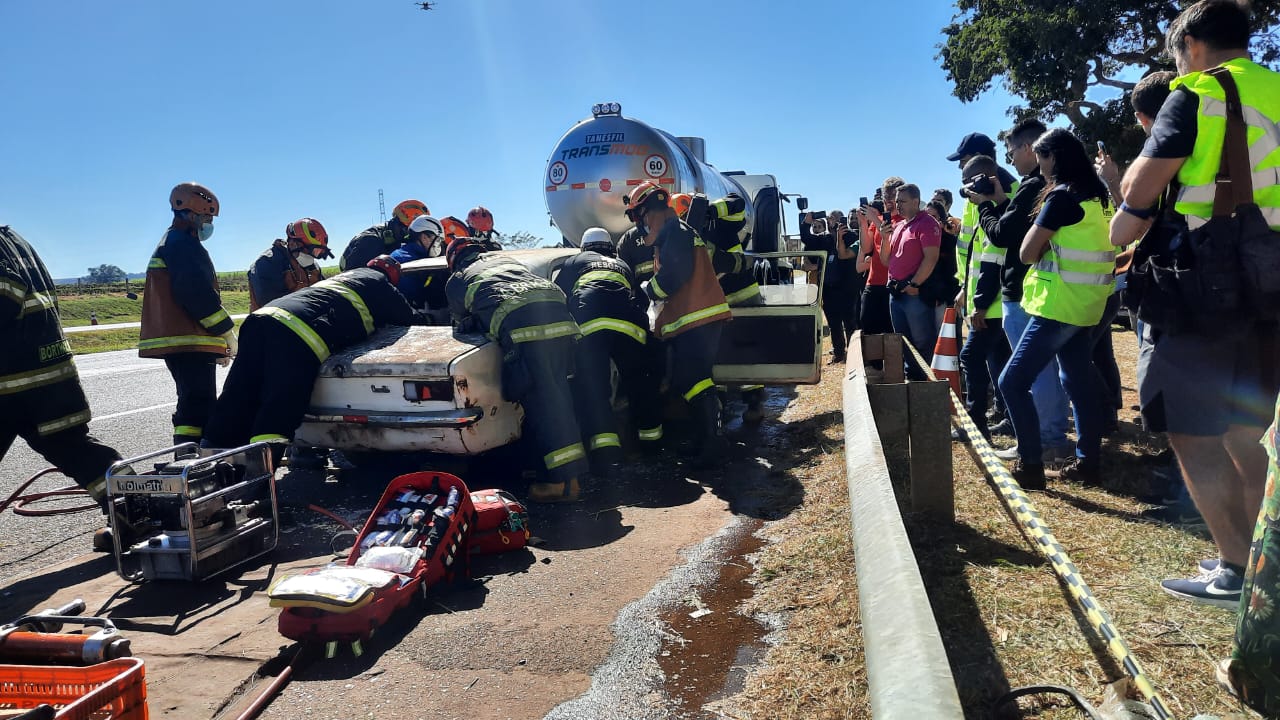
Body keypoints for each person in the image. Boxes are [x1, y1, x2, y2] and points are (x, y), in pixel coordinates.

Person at [1110, 0, 1280, 607]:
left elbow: (1140, 187)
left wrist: (1126, 209)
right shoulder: (1275, 90)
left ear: (1194, 47)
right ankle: (1263, 562)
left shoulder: (1198, 92)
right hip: (1270, 285)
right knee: (1248, 431)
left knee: (1191, 432)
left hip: (1204, 288)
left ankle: (1235, 570)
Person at [204, 256, 419, 461]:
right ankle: (260, 475)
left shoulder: (343, 278)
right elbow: (409, 319)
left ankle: (208, 463)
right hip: (296, 332)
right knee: (280, 405)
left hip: (261, 318)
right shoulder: (380, 282)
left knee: (238, 393)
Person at [997, 128, 1116, 491]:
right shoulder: (1100, 197)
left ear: (1053, 158)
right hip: (1090, 304)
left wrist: (1047, 248)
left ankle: (1031, 465)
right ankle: (1088, 463)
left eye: (1041, 158)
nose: (1040, 167)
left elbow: (1026, 253)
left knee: (1011, 382)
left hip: (1059, 306)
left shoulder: (1061, 197)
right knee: (1076, 379)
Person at [0, 225, 126, 543]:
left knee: (75, 450)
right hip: (46, 376)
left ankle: (139, 511)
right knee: (77, 450)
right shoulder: (13, 240)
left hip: (13, 382)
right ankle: (139, 512)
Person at [445, 238, 587, 502]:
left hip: (525, 328)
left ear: (453, 261)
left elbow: (459, 320)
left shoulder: (458, 279)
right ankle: (567, 477)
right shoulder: (506, 261)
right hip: (558, 314)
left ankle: (561, 484)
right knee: (558, 399)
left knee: (542, 405)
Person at [972, 119, 1076, 467]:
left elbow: (1003, 235)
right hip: (1041, 288)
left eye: (1012, 151)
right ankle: (1050, 436)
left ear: (1028, 148)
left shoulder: (1034, 186)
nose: (1010, 159)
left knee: (1033, 372)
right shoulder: (1046, 185)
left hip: (1023, 290)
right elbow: (1017, 227)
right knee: (1047, 370)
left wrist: (985, 205)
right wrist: (1002, 201)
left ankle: (1046, 440)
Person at [627, 181, 732, 468]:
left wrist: (648, 292)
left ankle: (712, 444)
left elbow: (675, 273)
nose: (640, 226)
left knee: (695, 379)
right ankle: (704, 440)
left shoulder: (675, 231)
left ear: (648, 212)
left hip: (697, 318)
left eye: (638, 217)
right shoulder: (674, 232)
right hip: (692, 320)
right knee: (689, 380)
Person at [555, 227, 664, 464]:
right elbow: (636, 296)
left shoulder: (574, 261)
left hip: (590, 326)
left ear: (584, 247)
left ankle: (606, 454)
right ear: (609, 247)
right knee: (639, 384)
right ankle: (652, 444)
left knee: (595, 389)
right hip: (629, 326)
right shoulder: (621, 264)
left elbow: (559, 295)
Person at [139, 182, 236, 446]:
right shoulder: (182, 244)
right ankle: (195, 458)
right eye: (207, 218)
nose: (209, 225)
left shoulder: (175, 241)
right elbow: (196, 294)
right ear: (192, 215)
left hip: (185, 341)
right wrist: (225, 332)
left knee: (194, 402)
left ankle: (191, 455)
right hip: (190, 340)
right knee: (198, 402)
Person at [955, 156, 1015, 439]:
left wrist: (980, 304)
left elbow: (993, 261)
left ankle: (976, 425)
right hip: (994, 303)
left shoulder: (995, 209)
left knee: (970, 357)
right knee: (1002, 363)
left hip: (992, 305)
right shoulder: (991, 208)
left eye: (970, 183)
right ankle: (1011, 420)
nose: (967, 190)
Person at [878, 184, 942, 361]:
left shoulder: (927, 223)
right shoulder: (898, 225)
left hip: (914, 293)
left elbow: (931, 258)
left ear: (915, 202)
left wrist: (915, 283)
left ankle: (926, 376)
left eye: (902, 201)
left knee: (923, 342)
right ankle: (911, 374)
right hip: (896, 292)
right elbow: (886, 260)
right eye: (897, 201)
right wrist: (885, 238)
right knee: (904, 342)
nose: (898, 205)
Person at [801, 210, 860, 363]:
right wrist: (806, 223)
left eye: (835, 219)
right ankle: (839, 353)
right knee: (834, 323)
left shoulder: (851, 236)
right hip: (829, 288)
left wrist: (839, 231)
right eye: (829, 220)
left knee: (850, 323)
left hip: (847, 287)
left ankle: (854, 355)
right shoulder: (825, 239)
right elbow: (807, 239)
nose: (831, 222)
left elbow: (850, 247)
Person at [247, 218, 331, 311]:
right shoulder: (267, 262)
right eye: (313, 250)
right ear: (293, 244)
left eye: (318, 253)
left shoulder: (313, 267)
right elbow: (270, 305)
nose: (313, 257)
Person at [856, 181, 903, 335]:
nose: (888, 199)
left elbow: (892, 241)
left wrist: (875, 219)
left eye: (892, 194)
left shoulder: (904, 220)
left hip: (893, 284)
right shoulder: (878, 219)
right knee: (868, 330)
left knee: (891, 334)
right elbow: (866, 248)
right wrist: (863, 223)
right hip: (873, 283)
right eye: (886, 195)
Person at [389, 215, 450, 322]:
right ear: (424, 238)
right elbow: (413, 296)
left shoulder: (403, 253)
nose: (439, 245)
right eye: (437, 240)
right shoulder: (407, 260)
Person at [339, 199, 429, 271]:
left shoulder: (395, 238)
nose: (408, 237)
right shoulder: (371, 241)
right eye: (407, 231)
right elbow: (355, 278)